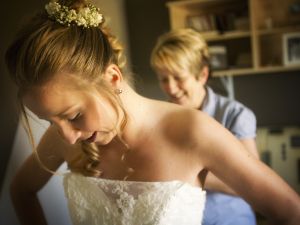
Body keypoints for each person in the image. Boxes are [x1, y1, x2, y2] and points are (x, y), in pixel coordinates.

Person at [5, 1, 300, 225]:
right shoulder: (63, 138)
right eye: (49, 121)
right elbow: (21, 190)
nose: (67, 138)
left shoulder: (193, 131)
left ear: (113, 78)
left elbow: (290, 211)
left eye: (73, 115)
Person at [150, 28, 260, 225]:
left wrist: (181, 171)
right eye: (163, 79)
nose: (171, 88)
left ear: (202, 75)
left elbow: (251, 185)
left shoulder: (235, 115)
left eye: (178, 78)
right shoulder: (159, 117)